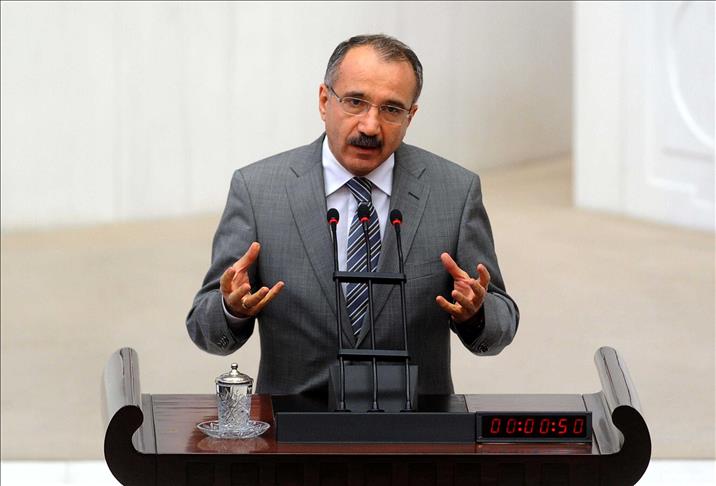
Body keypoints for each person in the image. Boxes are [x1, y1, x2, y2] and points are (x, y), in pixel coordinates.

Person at [186, 34, 519, 396]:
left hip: (416, 422)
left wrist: (476, 314)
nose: (370, 126)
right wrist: (231, 309)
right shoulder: (258, 191)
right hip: (294, 423)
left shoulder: (454, 192)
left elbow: (501, 319)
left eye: (391, 109)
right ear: (324, 100)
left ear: (411, 116)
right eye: (355, 102)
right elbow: (205, 328)